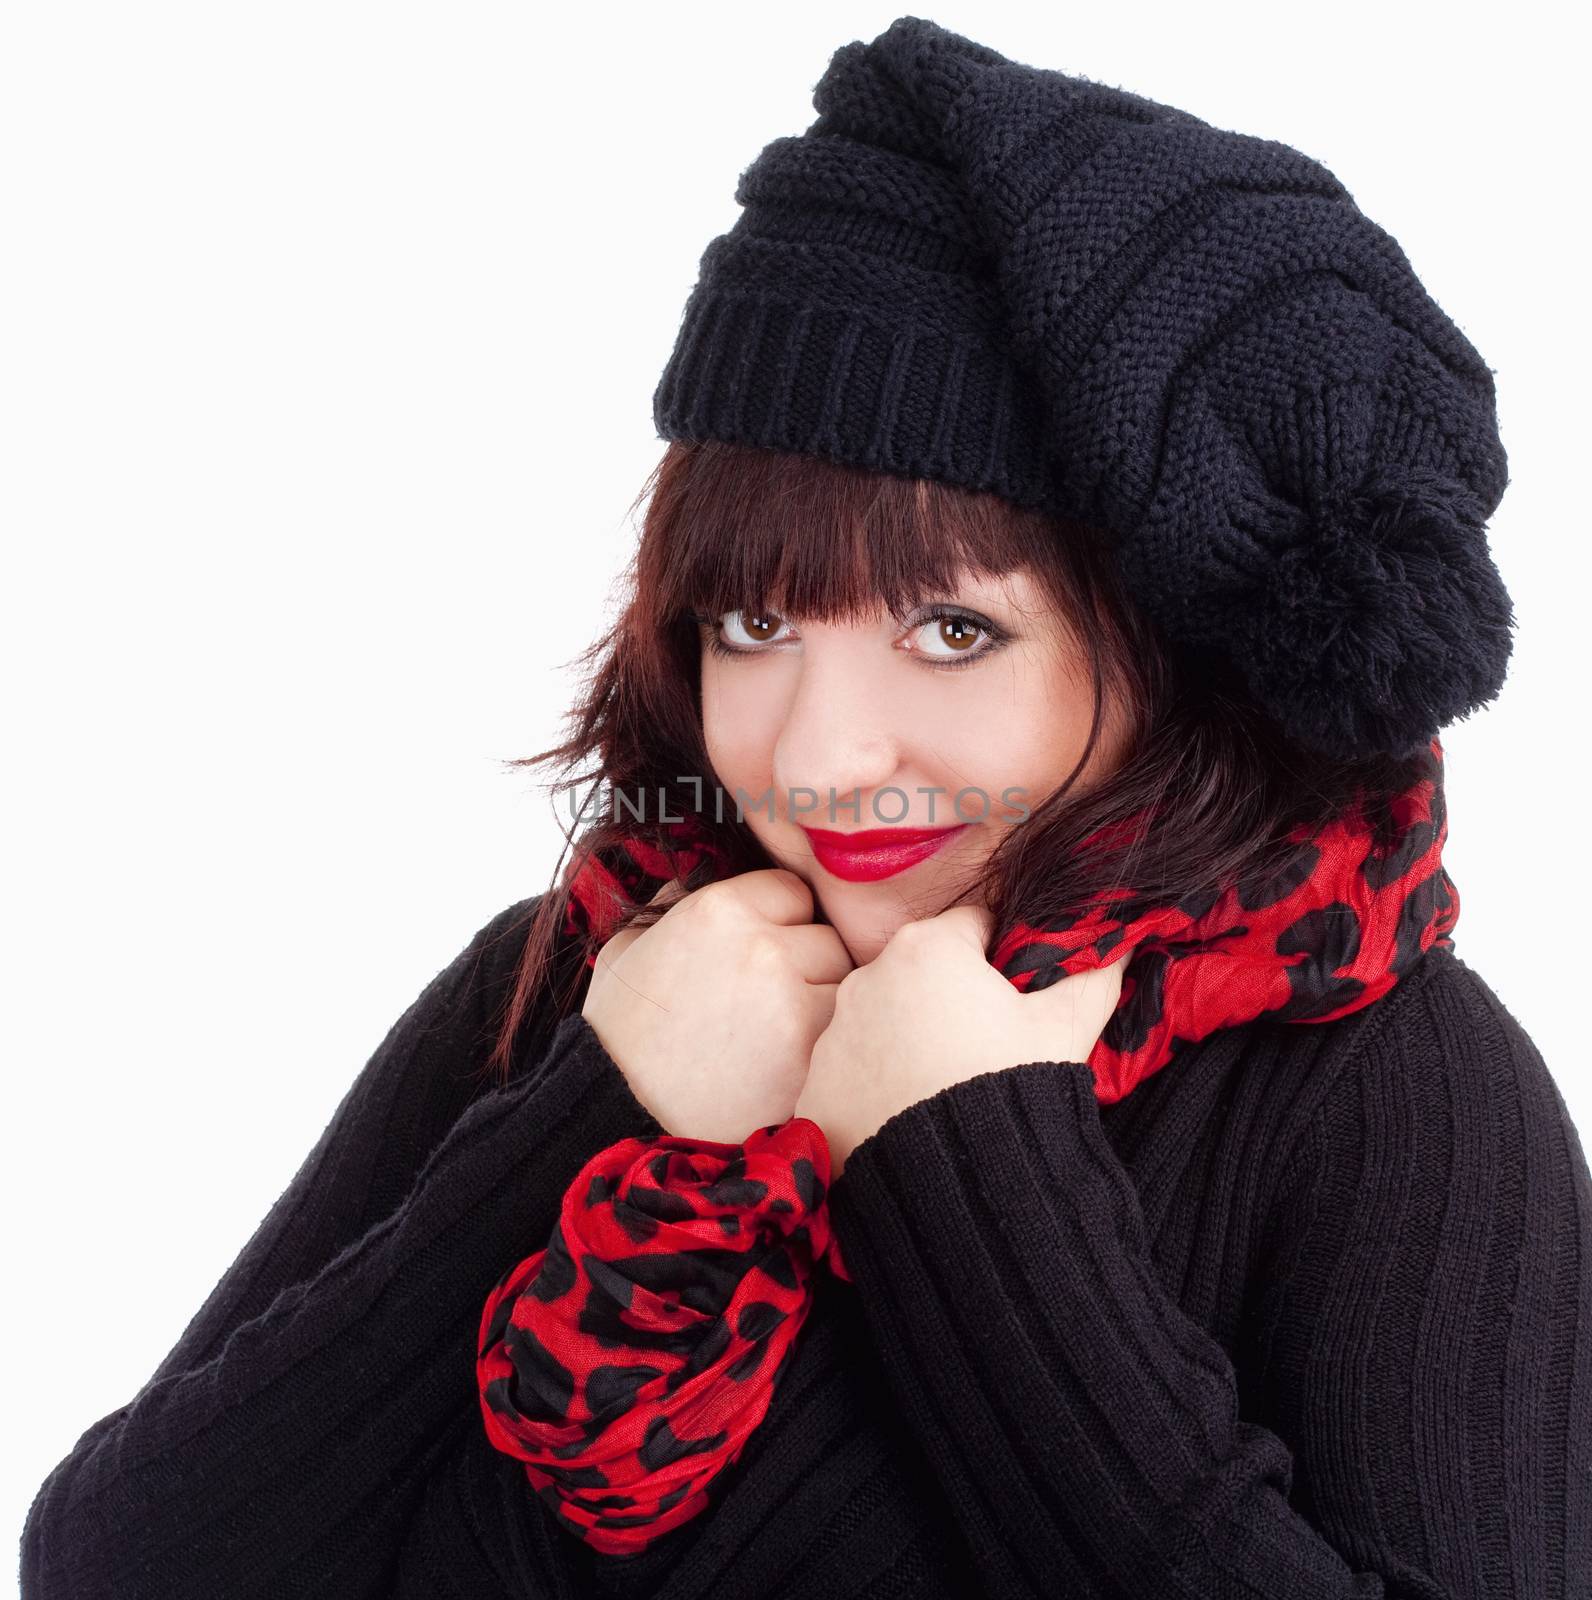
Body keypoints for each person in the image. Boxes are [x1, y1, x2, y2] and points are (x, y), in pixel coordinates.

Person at [20, 16, 1589, 1600]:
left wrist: (974, 1165)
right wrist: (603, 1108)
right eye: (754, 627)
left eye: (954, 631)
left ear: (1169, 648)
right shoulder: (603, 977)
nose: (821, 759)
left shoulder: (1391, 1090)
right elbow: (115, 1566)